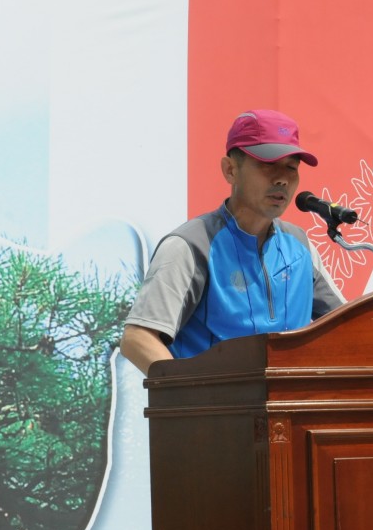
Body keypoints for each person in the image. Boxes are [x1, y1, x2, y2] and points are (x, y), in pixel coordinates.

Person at [120, 109, 345, 375]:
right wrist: (190, 393)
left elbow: (350, 327)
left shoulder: (300, 247)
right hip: (214, 401)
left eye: (291, 168)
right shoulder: (191, 246)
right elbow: (138, 339)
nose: (282, 179)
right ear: (230, 170)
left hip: (292, 401)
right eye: (268, 164)